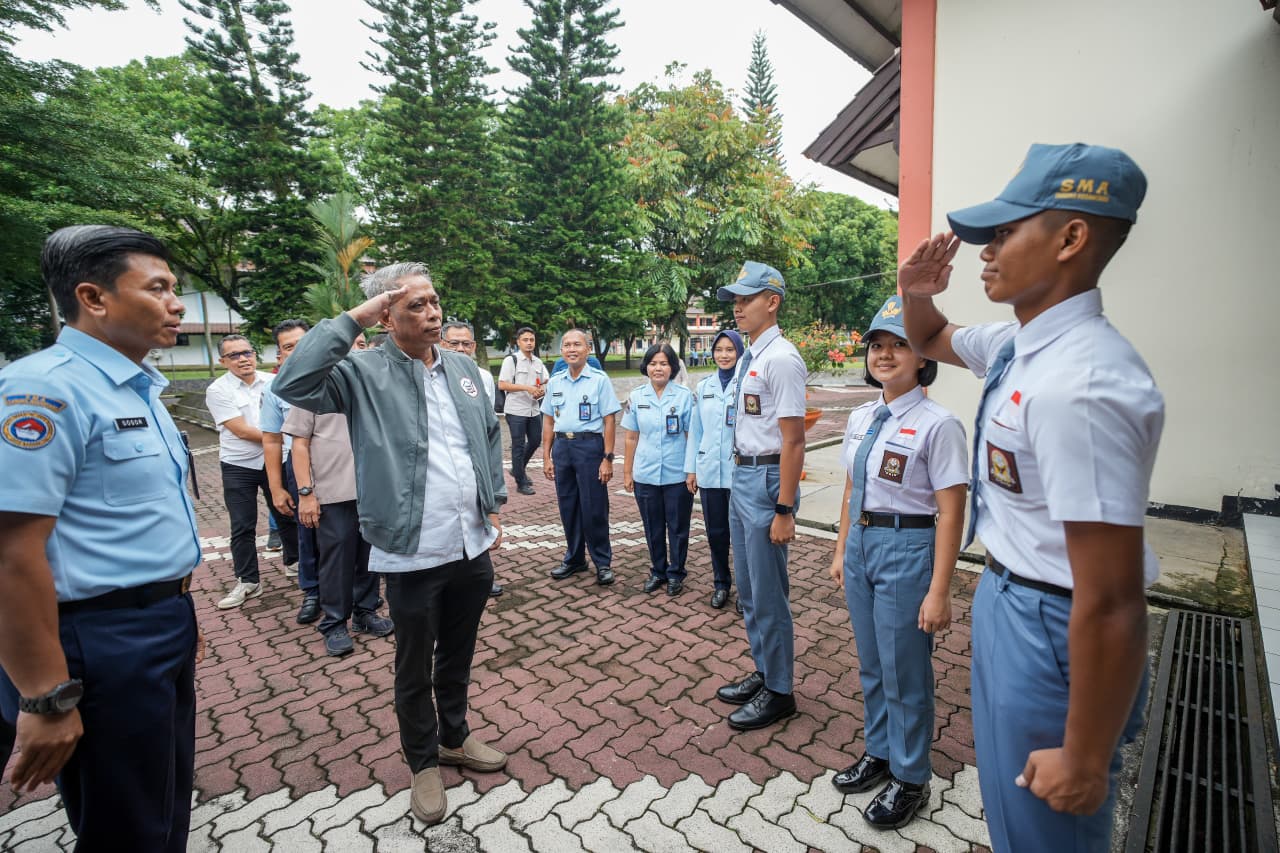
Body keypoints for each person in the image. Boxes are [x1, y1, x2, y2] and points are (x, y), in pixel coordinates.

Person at [899, 142, 1163, 852]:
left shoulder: (1081, 384)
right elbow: (926, 334)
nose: (985, 251)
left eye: (1006, 233)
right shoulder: (1022, 346)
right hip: (1010, 598)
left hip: (1054, 621)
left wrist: (1082, 758)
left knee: (1050, 830)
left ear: (1072, 238)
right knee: (1016, 818)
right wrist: (917, 289)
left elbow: (1110, 597)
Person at [274, 261, 508, 827]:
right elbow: (291, 383)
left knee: (459, 653)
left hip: (470, 543)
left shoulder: (464, 368)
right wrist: (351, 319)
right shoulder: (360, 373)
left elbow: (488, 432)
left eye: (434, 302)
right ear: (384, 317)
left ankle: (455, 737)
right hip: (410, 550)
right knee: (413, 664)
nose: (433, 314)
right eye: (416, 306)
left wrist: (491, 497)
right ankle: (422, 762)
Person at [0, 225, 201, 850]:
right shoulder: (45, 390)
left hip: (160, 623)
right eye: (160, 288)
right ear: (93, 297)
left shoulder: (137, 386)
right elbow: (10, 551)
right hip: (99, 640)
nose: (177, 305)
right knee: (126, 826)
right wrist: (46, 699)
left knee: (162, 806)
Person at [826, 295, 968, 828]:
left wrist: (940, 588)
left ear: (922, 357)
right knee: (871, 662)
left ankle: (912, 777)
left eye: (899, 345)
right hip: (863, 546)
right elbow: (850, 487)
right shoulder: (862, 416)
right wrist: (841, 548)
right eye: (877, 345)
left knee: (905, 669)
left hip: (908, 550)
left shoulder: (939, 424)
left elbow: (952, 512)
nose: (884, 354)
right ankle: (880, 751)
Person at [713, 261, 807, 731]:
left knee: (769, 593)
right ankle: (765, 670)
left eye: (746, 298)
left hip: (768, 480)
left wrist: (785, 508)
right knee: (748, 589)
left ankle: (781, 691)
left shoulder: (781, 358)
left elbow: (793, 440)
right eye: (735, 298)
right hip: (743, 477)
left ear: (772, 301)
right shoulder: (751, 355)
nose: (738, 306)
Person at [283, 332, 395, 657]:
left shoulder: (370, 389)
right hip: (333, 495)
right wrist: (306, 493)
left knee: (369, 558)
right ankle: (334, 624)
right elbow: (299, 444)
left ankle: (365, 612)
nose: (354, 351)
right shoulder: (313, 387)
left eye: (360, 345)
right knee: (336, 562)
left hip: (371, 492)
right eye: (348, 345)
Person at [206, 333, 298, 609]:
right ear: (223, 361)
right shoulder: (218, 390)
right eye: (234, 355)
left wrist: (282, 441)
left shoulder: (272, 382)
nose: (243, 358)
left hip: (278, 460)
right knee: (242, 525)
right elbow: (241, 430)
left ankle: (294, 563)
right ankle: (248, 580)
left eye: (247, 352)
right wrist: (285, 437)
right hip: (239, 465)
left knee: (287, 515)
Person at [540, 328, 620, 587]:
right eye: (567, 345)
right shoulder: (555, 382)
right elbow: (549, 420)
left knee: (594, 506)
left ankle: (602, 562)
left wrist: (607, 457)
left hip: (589, 447)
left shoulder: (599, 380)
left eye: (577, 344)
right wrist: (546, 457)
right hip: (563, 448)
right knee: (568, 506)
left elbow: (609, 420)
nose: (571, 349)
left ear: (588, 349)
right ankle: (574, 558)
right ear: (561, 351)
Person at [621, 343, 696, 597]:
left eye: (664, 363)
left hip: (677, 474)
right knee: (652, 526)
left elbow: (690, 436)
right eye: (653, 363)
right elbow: (631, 437)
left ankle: (676, 573)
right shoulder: (637, 397)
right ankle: (658, 570)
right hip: (646, 473)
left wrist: (691, 471)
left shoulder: (685, 397)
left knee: (678, 526)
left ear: (673, 367)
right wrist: (627, 472)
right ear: (647, 366)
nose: (658, 368)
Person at [262, 318, 321, 623]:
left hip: (343, 463)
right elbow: (272, 440)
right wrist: (276, 488)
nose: (296, 352)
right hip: (298, 466)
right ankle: (313, 591)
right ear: (280, 356)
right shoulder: (276, 389)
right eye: (288, 347)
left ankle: (360, 591)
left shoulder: (342, 375)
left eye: (302, 343)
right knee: (307, 529)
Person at [441, 321, 504, 599]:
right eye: (453, 343)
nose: (460, 349)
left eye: (466, 343)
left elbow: (488, 424)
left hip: (475, 463)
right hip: (445, 466)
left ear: (474, 346)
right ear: (441, 344)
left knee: (480, 522)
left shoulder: (482, 376)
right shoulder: (431, 375)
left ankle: (480, 578)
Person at [685, 329, 744, 609]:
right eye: (719, 350)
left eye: (730, 350)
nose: (724, 355)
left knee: (743, 536)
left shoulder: (747, 385)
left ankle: (747, 589)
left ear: (739, 353)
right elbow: (695, 431)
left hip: (739, 473)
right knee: (716, 533)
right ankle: (721, 583)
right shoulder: (704, 387)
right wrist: (691, 470)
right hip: (709, 472)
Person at [498, 326, 549, 497]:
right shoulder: (511, 360)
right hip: (516, 409)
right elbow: (502, 384)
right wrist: (527, 388)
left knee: (535, 440)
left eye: (531, 340)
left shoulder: (538, 362)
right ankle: (521, 482)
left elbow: (545, 381)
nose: (529, 343)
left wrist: (542, 389)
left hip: (534, 409)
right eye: (525, 340)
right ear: (518, 342)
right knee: (518, 445)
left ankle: (517, 468)